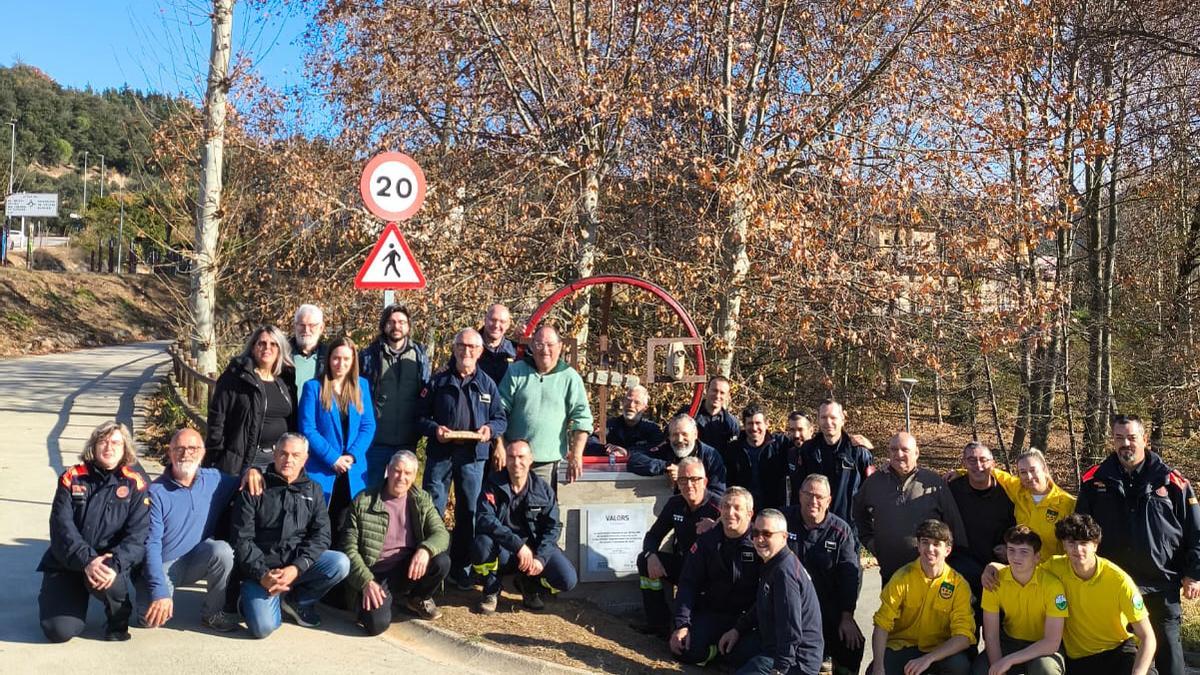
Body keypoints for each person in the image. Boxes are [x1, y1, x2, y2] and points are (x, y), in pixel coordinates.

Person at [1076, 414, 1199, 675]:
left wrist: (1193, 574)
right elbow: (1080, 532)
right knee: (1121, 656)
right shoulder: (1093, 481)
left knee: (1169, 654)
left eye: (1132, 437)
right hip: (1112, 584)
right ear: (1112, 441)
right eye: (1119, 438)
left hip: (1160, 583)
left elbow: (1195, 532)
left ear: (1144, 439)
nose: (1125, 444)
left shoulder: (1172, 482)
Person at [984, 513, 1157, 674]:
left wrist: (1138, 673)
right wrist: (992, 567)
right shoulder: (1055, 567)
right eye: (1071, 543)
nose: (1077, 549)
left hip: (1118, 650)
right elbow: (1024, 567)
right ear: (1064, 546)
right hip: (1079, 658)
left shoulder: (1119, 581)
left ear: (1095, 545)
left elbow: (1148, 637)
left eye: (1084, 543)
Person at [38, 421, 150, 643]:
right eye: (103, 441)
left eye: (116, 443)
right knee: (58, 631)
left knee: (112, 581)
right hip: (68, 562)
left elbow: (138, 537)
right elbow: (62, 527)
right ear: (93, 445)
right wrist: (87, 559)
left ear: (125, 449)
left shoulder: (135, 484)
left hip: (107, 565)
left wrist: (115, 563)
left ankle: (118, 618)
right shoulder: (72, 477)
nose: (109, 447)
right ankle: (57, 596)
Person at [231, 433, 350, 638]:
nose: (288, 460)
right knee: (264, 628)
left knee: (340, 563)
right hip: (261, 572)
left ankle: (296, 601)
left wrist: (297, 567)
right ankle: (254, 599)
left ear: (305, 459)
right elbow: (242, 540)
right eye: (283, 454)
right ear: (275, 455)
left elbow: (321, 536)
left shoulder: (314, 490)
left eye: (295, 455)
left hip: (296, 567)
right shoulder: (255, 487)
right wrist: (262, 575)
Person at [417, 328, 507, 590]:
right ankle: (432, 566)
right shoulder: (438, 382)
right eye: (462, 346)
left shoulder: (488, 384)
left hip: (473, 458)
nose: (466, 351)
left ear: (480, 352)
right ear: (454, 348)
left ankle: (461, 568)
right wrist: (435, 430)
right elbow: (419, 417)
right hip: (441, 454)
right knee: (433, 508)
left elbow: (500, 418)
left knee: (468, 512)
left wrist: (490, 431)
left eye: (472, 347)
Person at [137, 428, 242, 633]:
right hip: (163, 564)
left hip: (196, 559)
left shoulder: (215, 480)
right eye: (180, 448)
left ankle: (212, 614)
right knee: (148, 620)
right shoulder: (156, 492)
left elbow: (241, 479)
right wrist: (159, 591)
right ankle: (152, 591)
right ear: (170, 452)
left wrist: (251, 472)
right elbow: (152, 545)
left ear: (203, 453)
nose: (186, 454)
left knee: (222, 551)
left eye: (193, 448)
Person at [342, 450, 451, 634]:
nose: (401, 478)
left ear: (414, 476)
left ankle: (417, 598)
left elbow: (441, 533)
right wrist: (365, 581)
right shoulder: (363, 500)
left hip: (408, 567)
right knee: (377, 625)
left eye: (407, 473)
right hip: (376, 572)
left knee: (441, 562)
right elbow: (348, 549)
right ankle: (369, 602)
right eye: (397, 471)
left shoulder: (421, 499)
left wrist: (425, 550)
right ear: (388, 471)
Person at [472, 439, 578, 613]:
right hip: (504, 550)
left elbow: (553, 528)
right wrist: (517, 545)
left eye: (521, 457)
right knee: (481, 545)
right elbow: (484, 519)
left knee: (567, 580)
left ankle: (530, 584)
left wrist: (541, 558)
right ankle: (491, 590)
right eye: (511, 457)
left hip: (534, 551)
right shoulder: (492, 484)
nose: (516, 462)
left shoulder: (543, 490)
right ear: (506, 459)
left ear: (531, 460)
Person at [854, 432, 967, 583]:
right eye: (893, 449)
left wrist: (954, 560)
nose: (898, 454)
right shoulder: (875, 482)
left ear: (916, 453)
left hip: (930, 575)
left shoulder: (933, 483)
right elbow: (857, 512)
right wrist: (870, 542)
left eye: (904, 450)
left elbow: (953, 524)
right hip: (891, 573)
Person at [722, 509, 825, 675]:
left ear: (784, 537)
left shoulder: (785, 573)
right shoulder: (772, 562)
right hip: (772, 643)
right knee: (730, 652)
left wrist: (780, 669)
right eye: (755, 532)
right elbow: (762, 602)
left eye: (767, 534)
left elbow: (790, 630)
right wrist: (737, 629)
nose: (759, 539)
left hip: (797, 661)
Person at [670, 487, 761, 667]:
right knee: (684, 649)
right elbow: (688, 583)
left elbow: (767, 595)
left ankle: (723, 655)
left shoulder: (760, 544)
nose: (730, 513)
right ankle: (717, 654)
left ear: (750, 513)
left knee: (744, 657)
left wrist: (739, 628)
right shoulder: (707, 541)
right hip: (713, 613)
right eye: (726, 507)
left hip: (748, 619)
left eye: (737, 508)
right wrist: (682, 625)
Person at [871, 519, 975, 675]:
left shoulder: (958, 585)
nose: (930, 549)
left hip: (939, 651)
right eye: (925, 542)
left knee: (959, 666)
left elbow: (964, 636)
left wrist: (928, 659)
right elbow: (882, 624)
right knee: (875, 670)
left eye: (937, 544)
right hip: (902, 648)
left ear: (947, 550)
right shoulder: (902, 578)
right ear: (918, 546)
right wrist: (878, 668)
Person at [783, 474, 864, 675]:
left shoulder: (840, 531)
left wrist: (847, 616)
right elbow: (753, 529)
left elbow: (849, 576)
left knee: (853, 644)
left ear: (829, 500)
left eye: (819, 497)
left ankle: (836, 665)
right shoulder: (782, 521)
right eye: (808, 494)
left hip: (826, 607)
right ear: (799, 496)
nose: (813, 501)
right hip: (787, 605)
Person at [634, 456, 721, 636]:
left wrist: (716, 526)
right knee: (643, 560)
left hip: (710, 575)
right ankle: (658, 623)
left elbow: (743, 531)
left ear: (704, 481)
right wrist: (651, 555)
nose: (689, 485)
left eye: (694, 479)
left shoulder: (718, 506)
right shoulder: (675, 504)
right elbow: (653, 535)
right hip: (684, 565)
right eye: (683, 480)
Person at [498, 324, 593, 487]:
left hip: (548, 466)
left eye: (550, 345)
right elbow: (498, 413)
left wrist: (576, 456)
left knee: (542, 510)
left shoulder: (570, 378)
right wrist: (500, 446)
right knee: (510, 510)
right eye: (539, 344)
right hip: (513, 461)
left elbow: (582, 419)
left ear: (560, 347)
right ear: (532, 346)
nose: (545, 350)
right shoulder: (515, 372)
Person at [298, 336, 376, 530]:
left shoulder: (362, 386)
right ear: (328, 359)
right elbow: (308, 428)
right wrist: (333, 458)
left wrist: (351, 455)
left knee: (347, 527)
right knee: (319, 525)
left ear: (353, 361)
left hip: (352, 471)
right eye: (336, 358)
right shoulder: (313, 387)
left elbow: (368, 426)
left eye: (346, 359)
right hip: (322, 469)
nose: (340, 364)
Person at [972, 525, 1067, 675]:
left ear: (1037, 557)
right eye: (1011, 550)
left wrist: (1009, 660)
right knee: (982, 671)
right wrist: (998, 666)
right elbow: (991, 635)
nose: (1016, 557)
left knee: (1046, 670)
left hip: (1041, 646)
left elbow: (1052, 642)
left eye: (1024, 552)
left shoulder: (1052, 586)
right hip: (1008, 642)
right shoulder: (994, 580)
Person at [205, 325, 297, 476]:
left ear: (280, 349)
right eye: (261, 343)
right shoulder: (236, 377)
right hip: (246, 458)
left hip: (279, 459)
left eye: (273, 344)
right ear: (253, 347)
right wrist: (218, 454)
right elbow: (217, 417)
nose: (267, 348)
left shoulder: (284, 381)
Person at [360, 303, 432, 486]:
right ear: (384, 325)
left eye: (401, 322)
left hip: (407, 441)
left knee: (403, 492)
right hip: (375, 440)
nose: (396, 326)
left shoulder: (419, 355)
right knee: (371, 491)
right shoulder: (369, 356)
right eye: (391, 322)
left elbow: (425, 393)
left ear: (408, 326)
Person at [947, 441, 1015, 604]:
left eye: (983, 460)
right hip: (962, 568)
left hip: (1000, 569)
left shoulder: (1009, 492)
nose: (978, 465)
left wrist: (1010, 548)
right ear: (964, 463)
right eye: (971, 460)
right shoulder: (951, 489)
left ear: (993, 463)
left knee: (999, 625)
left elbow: (1019, 527)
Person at [982, 448, 1075, 561]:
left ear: (1044, 469)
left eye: (1033, 470)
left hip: (1053, 572)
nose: (1029, 477)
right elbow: (986, 471)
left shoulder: (1067, 503)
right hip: (1022, 570)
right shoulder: (1018, 490)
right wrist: (961, 472)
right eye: (1023, 472)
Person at [798, 400, 875, 527]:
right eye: (823, 417)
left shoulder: (858, 452)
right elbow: (799, 488)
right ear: (818, 420)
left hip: (848, 526)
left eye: (833, 417)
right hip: (813, 525)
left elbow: (871, 490)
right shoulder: (808, 450)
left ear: (842, 420)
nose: (828, 422)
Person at [628, 413, 727, 495]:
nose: (679, 440)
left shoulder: (711, 456)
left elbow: (718, 494)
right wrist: (666, 466)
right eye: (675, 435)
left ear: (695, 434)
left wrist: (686, 479)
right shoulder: (666, 449)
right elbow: (634, 460)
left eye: (684, 434)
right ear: (669, 437)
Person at [722, 403, 790, 510]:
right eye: (750, 423)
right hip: (742, 510)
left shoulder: (780, 446)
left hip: (773, 510)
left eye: (758, 423)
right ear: (744, 425)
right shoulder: (733, 450)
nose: (754, 428)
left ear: (767, 424)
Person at [585, 385, 665, 457]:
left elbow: (657, 450)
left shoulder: (653, 430)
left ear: (645, 408)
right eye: (628, 400)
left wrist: (627, 452)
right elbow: (589, 445)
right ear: (623, 402)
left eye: (637, 402)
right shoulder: (609, 425)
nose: (631, 405)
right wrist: (608, 450)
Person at [693, 376, 740, 458]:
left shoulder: (732, 424)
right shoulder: (690, 415)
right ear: (706, 390)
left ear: (727, 396)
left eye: (722, 393)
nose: (717, 396)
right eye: (714, 390)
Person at [290, 304, 327, 397]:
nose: (306, 330)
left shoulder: (329, 357)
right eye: (301, 325)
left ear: (321, 327)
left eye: (312, 325)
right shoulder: (282, 355)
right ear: (295, 326)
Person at [479, 303, 517, 385]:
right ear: (485, 320)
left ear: (508, 325)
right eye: (493, 320)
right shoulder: (469, 346)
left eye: (502, 322)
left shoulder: (516, 351)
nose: (496, 325)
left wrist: (527, 342)